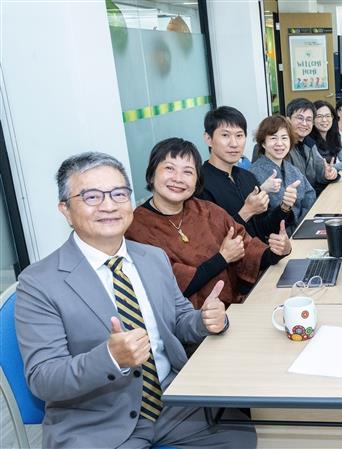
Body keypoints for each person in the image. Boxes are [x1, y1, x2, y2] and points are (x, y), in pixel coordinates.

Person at [14, 152, 256, 449]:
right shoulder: (38, 282)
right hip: (97, 423)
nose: (109, 205)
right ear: (65, 209)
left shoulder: (151, 257)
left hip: (174, 404)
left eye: (119, 194)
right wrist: (111, 358)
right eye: (91, 196)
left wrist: (204, 319)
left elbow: (179, 320)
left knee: (245, 436)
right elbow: (43, 378)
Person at [126, 138, 291, 309]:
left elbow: (247, 248)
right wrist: (222, 258)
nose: (178, 178)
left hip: (233, 309)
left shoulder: (206, 210)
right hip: (189, 324)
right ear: (151, 174)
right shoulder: (136, 226)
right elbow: (170, 286)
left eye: (188, 172)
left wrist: (277, 251)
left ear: (196, 180)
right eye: (169, 169)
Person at [196, 105, 288, 243]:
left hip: (262, 258)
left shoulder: (247, 176)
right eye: (225, 135)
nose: (234, 143)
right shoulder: (200, 183)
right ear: (208, 139)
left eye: (239, 135)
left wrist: (285, 207)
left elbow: (263, 228)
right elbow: (211, 241)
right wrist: (247, 211)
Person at [250, 115, 317, 234]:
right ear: (263, 143)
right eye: (273, 138)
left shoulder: (292, 169)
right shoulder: (254, 172)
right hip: (275, 237)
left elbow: (310, 195)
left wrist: (301, 222)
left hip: (301, 229)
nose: (279, 143)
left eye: (284, 138)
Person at [284, 98, 340, 196]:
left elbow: (320, 170)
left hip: (310, 200)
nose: (304, 123)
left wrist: (329, 174)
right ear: (288, 120)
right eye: (300, 118)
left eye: (309, 119)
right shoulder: (282, 147)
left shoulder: (309, 144)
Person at [310, 99, 342, 171]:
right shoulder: (310, 142)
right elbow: (322, 169)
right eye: (319, 116)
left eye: (327, 116)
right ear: (312, 120)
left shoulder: (334, 135)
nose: (324, 120)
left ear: (332, 118)